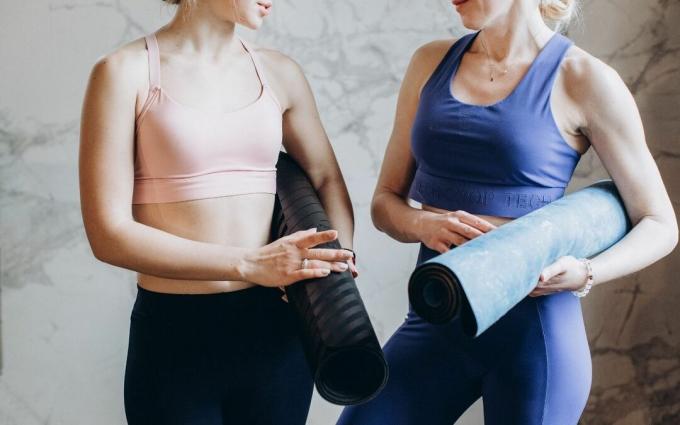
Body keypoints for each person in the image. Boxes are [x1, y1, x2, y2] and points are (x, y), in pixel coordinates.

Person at [337, 0, 678, 424]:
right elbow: (385, 202)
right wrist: (422, 223)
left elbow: (660, 223)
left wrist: (587, 272)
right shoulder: (429, 62)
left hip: (535, 334)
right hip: (438, 321)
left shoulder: (585, 79)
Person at [78, 0, 357, 424]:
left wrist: (336, 265)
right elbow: (108, 232)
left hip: (277, 333)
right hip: (175, 340)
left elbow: (326, 179)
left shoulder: (280, 72)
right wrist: (248, 263)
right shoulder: (124, 72)